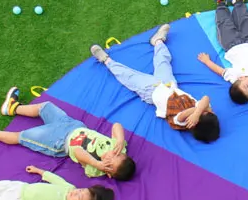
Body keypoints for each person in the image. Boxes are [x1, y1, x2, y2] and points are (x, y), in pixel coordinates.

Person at [91, 24, 219, 143]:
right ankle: (158, 41)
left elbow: (184, 114)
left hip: (151, 91)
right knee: (163, 62)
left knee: (129, 77)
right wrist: (199, 112)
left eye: (205, 113)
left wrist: (197, 112)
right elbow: (206, 99)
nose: (207, 110)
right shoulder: (200, 111)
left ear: (194, 123)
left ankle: (106, 61)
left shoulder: (182, 122)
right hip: (169, 85)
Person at [0, 92, 136, 181]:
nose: (109, 155)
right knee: (46, 107)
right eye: (115, 155)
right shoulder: (116, 146)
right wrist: (120, 140)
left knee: (23, 136)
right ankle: (13, 108)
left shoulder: (96, 169)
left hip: (59, 141)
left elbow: (77, 152)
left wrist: (97, 163)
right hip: (72, 125)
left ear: (108, 172)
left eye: (109, 163)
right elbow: (116, 126)